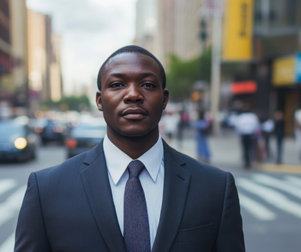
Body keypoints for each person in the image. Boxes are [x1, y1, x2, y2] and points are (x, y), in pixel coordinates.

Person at [15, 45, 244, 251]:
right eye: (117, 85)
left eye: (147, 85)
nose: (133, 94)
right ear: (99, 100)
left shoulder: (216, 188)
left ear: (164, 99)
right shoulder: (46, 189)